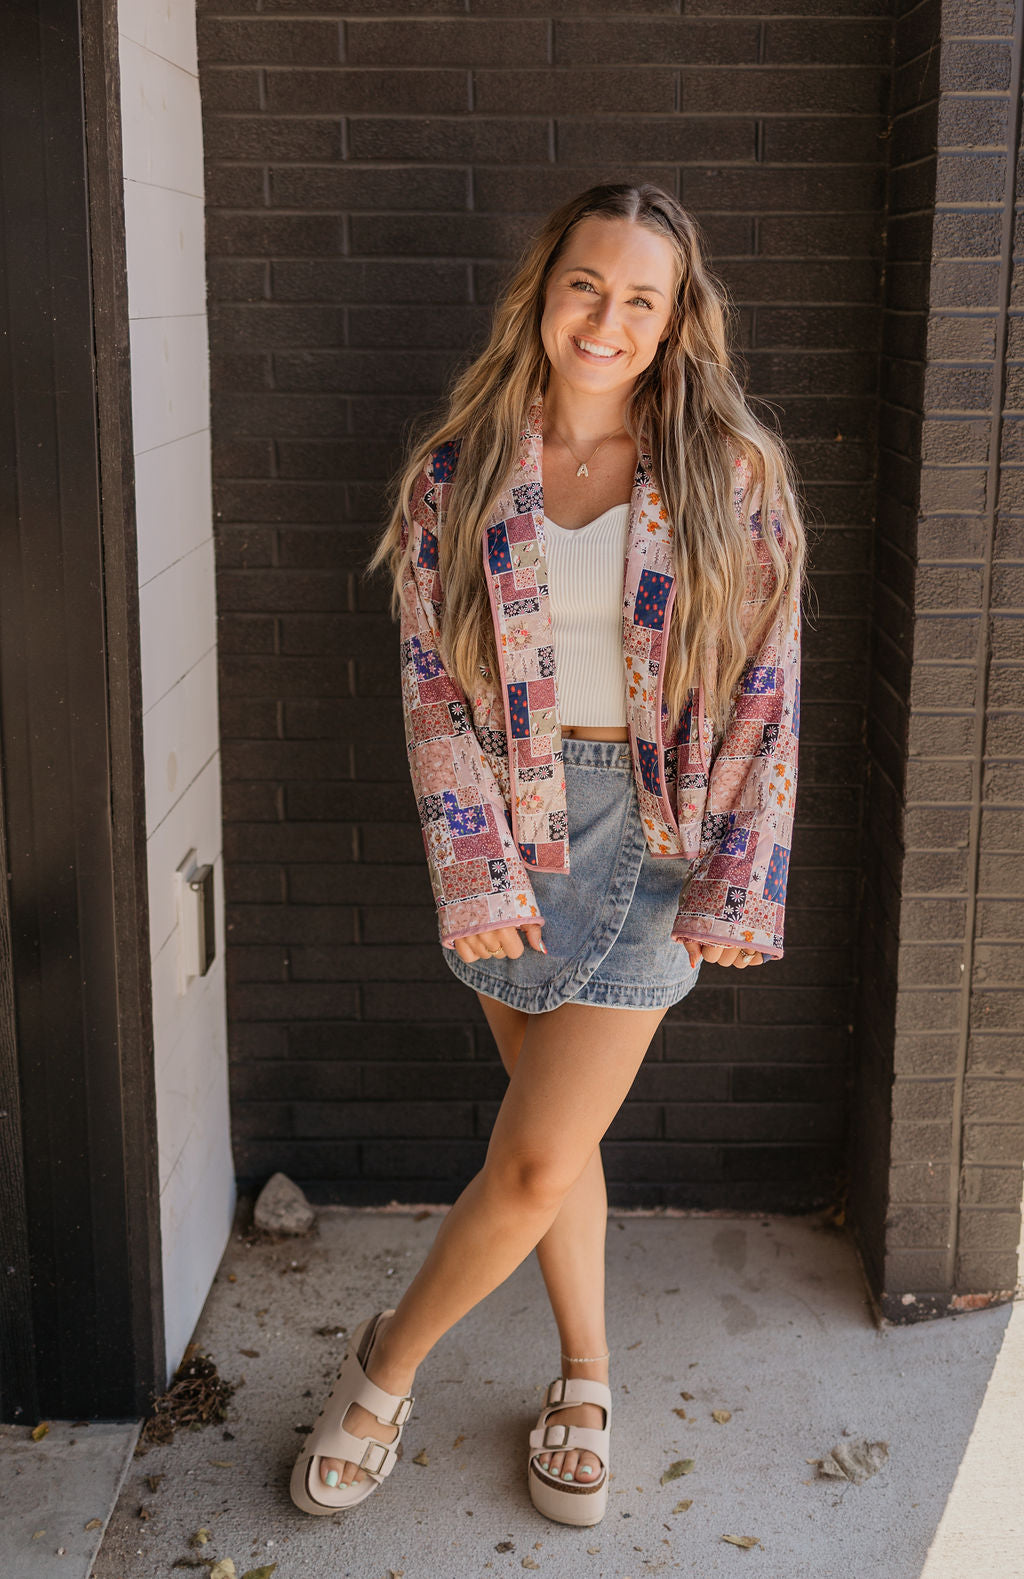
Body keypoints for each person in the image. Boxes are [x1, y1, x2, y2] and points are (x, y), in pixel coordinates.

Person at [290, 182, 807, 1528]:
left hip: (659, 835)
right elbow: (430, 687)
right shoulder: (459, 472)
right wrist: (472, 865)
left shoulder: (730, 474)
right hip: (510, 827)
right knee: (550, 1143)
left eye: (641, 297)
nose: (607, 318)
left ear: (675, 320)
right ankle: (585, 1376)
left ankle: (383, 1371)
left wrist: (744, 877)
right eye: (588, 283)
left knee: (529, 1160)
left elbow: (768, 683)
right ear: (544, 289)